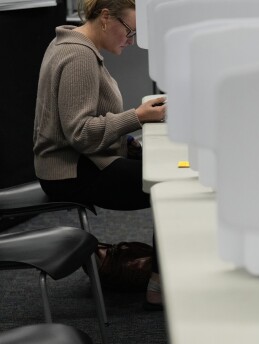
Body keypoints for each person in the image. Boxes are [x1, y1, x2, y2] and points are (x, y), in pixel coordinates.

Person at [33, 0, 166, 310]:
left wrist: (129, 140)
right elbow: (80, 133)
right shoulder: (79, 57)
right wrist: (137, 116)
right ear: (106, 18)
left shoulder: (73, 45)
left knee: (160, 169)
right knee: (166, 185)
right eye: (129, 31)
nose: (131, 41)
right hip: (71, 172)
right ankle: (159, 286)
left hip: (80, 161)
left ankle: (162, 277)